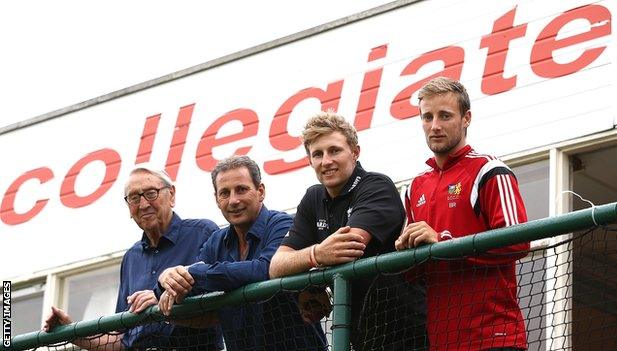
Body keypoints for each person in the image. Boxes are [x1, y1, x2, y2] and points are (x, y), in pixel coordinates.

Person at [269, 111, 427, 350]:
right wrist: (315, 258)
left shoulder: (376, 186)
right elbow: (276, 266)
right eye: (317, 154)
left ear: (355, 152)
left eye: (335, 150)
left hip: (408, 332)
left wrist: (308, 261)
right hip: (362, 337)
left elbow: (348, 246)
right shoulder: (313, 197)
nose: (326, 161)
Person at [395, 76, 529, 350]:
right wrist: (406, 257)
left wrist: (441, 243)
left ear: (466, 118)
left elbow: (518, 241)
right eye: (427, 117)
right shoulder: (414, 187)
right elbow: (418, 274)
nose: (434, 126)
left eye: (445, 116)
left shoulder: (490, 170)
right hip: (441, 342)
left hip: (494, 337)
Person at [42, 166, 223, 351]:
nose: (143, 205)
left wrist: (160, 298)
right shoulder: (131, 258)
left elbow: (221, 306)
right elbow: (122, 338)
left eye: (151, 193)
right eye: (134, 198)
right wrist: (71, 332)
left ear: (172, 195)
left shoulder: (203, 233)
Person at [156, 155, 327, 351]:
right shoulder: (216, 242)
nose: (233, 200)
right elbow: (189, 283)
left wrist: (194, 274)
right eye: (224, 193)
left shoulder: (282, 224)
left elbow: (266, 269)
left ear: (260, 191)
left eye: (241, 190)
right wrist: (167, 281)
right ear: (216, 199)